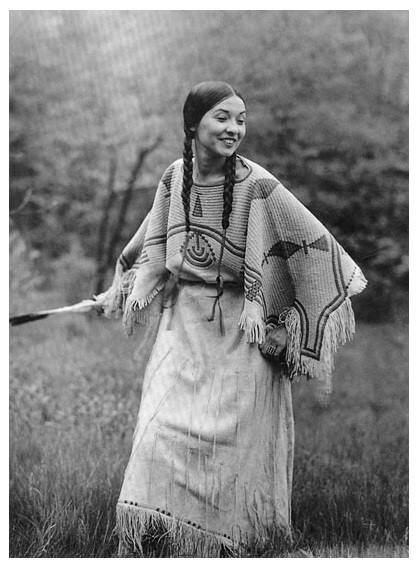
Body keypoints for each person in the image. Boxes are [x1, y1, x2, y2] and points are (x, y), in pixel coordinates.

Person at [95, 81, 367, 557]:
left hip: (244, 329)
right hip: (184, 325)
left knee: (235, 448)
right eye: (223, 117)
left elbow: (318, 246)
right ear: (193, 124)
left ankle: (236, 546)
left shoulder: (257, 184)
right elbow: (151, 248)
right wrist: (122, 291)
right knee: (159, 432)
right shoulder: (172, 178)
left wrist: (284, 318)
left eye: (241, 119)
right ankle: (161, 538)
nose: (234, 128)